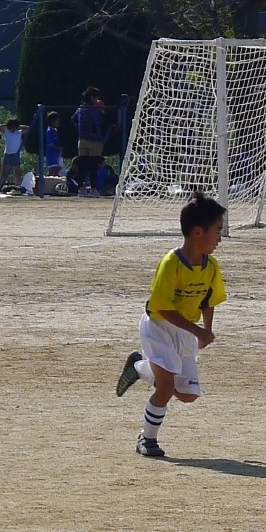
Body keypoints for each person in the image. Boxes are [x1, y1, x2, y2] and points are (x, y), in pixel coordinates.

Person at [115, 191, 228, 457]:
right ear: (198, 232)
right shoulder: (171, 263)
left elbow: (209, 299)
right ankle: (147, 440)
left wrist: (206, 329)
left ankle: (140, 367)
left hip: (185, 330)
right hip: (158, 327)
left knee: (188, 395)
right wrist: (196, 330)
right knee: (165, 388)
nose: (220, 238)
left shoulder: (211, 266)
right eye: (217, 231)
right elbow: (162, 307)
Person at [0, 118, 29, 194]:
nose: (13, 129)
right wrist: (7, 126)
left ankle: (18, 187)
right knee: (4, 172)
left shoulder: (19, 132)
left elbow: (28, 128)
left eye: (14, 127)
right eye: (11, 127)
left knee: (17, 172)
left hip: (16, 154)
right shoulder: (7, 132)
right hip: (8, 154)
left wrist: (18, 127)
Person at [44, 111, 63, 177]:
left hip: (56, 155)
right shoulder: (49, 131)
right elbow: (50, 144)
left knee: (57, 171)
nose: (58, 122)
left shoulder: (54, 130)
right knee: (53, 171)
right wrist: (59, 148)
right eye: (57, 121)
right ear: (52, 121)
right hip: (52, 156)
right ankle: (44, 182)